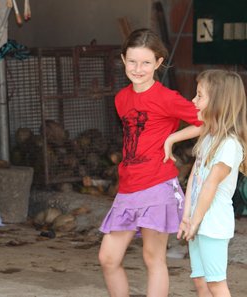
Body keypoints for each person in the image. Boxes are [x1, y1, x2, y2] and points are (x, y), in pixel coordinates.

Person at [97, 28, 202, 297]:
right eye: (132, 61)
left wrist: (173, 138)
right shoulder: (121, 99)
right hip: (128, 188)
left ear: (158, 63)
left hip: (157, 186)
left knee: (153, 259)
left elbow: (210, 121)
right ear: (123, 60)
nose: (138, 68)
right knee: (108, 258)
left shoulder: (167, 97)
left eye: (146, 62)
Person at [174, 69, 247, 296]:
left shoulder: (229, 145)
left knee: (216, 283)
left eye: (199, 95)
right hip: (198, 221)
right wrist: (186, 218)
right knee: (200, 280)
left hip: (213, 226)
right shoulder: (208, 137)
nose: (193, 101)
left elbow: (210, 185)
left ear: (218, 102)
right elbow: (194, 181)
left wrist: (195, 222)